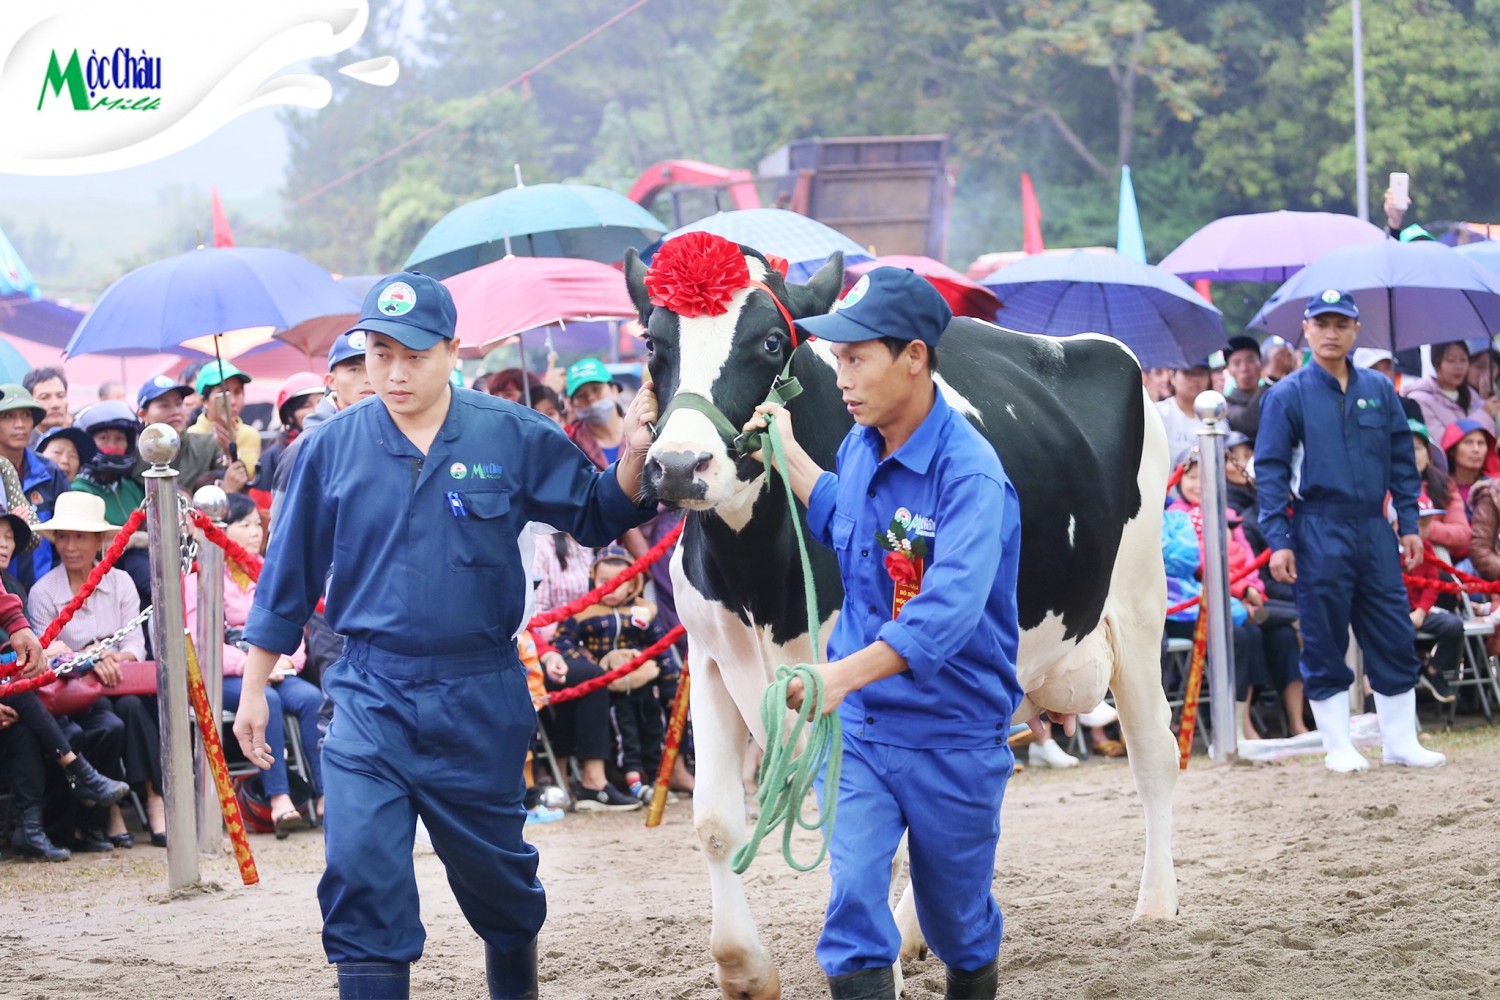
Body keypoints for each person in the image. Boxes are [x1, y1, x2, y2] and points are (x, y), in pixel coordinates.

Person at [232, 271, 660, 999]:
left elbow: (594, 513)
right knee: (361, 873)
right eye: (379, 353)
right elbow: (287, 576)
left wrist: (635, 453)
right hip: (369, 691)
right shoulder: (330, 447)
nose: (395, 373)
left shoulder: (512, 433)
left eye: (416, 355)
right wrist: (251, 689)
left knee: (501, 884)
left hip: (480, 694)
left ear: (453, 350)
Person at [740, 267, 1020, 1000]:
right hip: (865, 731)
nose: (841, 377)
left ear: (916, 357)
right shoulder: (864, 444)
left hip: (953, 735)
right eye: (837, 360)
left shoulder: (972, 477)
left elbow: (946, 616)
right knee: (854, 902)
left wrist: (834, 677)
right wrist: (789, 452)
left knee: (958, 924)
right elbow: (844, 516)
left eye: (856, 357)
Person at [1255, 288, 1445, 773]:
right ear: (1307, 328)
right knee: (1322, 635)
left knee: (1392, 631)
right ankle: (1338, 744)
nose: (1331, 333)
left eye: (1341, 324)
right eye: (1322, 323)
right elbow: (1272, 472)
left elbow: (1404, 462)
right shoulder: (1287, 394)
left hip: (1373, 527)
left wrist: (1408, 523)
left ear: (1357, 329)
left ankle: (1400, 740)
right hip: (1317, 527)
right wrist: (1278, 540)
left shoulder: (1380, 390)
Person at [28, 492, 166, 844]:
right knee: (111, 718)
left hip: (120, 680)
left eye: (80, 537)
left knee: (134, 707)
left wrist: (116, 659)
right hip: (77, 690)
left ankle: (153, 798)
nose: (70, 546)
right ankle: (114, 811)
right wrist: (90, 659)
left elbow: (135, 641)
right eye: (63, 537)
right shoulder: (44, 592)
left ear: (100, 541)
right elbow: (46, 653)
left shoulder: (120, 582)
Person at [185, 493, 323, 837]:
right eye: (243, 525)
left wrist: (287, 664)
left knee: (311, 700)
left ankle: (325, 793)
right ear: (219, 529)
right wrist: (253, 669)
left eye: (256, 524)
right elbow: (201, 643)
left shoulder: (267, 574)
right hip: (224, 674)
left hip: (275, 670)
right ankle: (278, 797)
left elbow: (295, 627)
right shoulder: (197, 577)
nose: (254, 532)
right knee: (269, 702)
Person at [553, 546, 682, 804]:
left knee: (652, 728)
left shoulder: (645, 611)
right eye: (603, 581)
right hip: (611, 687)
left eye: (619, 582)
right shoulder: (583, 611)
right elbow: (562, 642)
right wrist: (589, 662)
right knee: (624, 734)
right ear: (592, 579)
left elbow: (662, 648)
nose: (611, 588)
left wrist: (670, 686)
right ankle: (631, 780)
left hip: (646, 684)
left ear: (633, 582)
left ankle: (655, 779)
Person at [269, 330, 375, 526]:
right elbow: (282, 530)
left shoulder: (393, 435)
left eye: (373, 367)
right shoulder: (307, 447)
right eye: (355, 369)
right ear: (331, 381)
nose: (368, 379)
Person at [0, 385, 72, 591]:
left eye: (26, 415)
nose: (20, 424)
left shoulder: (49, 472)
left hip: (48, 589)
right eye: (8, 416)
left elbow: (68, 531)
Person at [133, 376, 237, 494]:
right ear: (142, 414)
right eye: (164, 405)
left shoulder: (208, 445)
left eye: (179, 403)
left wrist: (230, 457)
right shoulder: (133, 457)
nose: (175, 411)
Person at [1404, 496, 1461, 705]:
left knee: (1454, 626)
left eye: (1429, 523)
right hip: (1396, 613)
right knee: (1394, 632)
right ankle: (1411, 671)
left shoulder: (1426, 548)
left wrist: (1421, 610)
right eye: (1421, 523)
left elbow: (1432, 584)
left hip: (1421, 612)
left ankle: (1433, 670)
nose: (1426, 529)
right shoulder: (1390, 549)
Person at [1404, 341, 1495, 445]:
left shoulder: (1472, 396)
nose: (1458, 367)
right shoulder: (1421, 400)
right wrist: (1484, 414)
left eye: (1463, 360)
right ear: (1437, 364)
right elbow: (1442, 442)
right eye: (1451, 361)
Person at [187, 360, 261, 479]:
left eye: (238, 392)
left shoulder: (250, 435)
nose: (232, 401)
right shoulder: (192, 437)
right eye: (223, 393)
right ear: (204, 401)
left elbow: (249, 479)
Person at [254, 372, 325, 495]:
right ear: (290, 416)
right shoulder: (273, 456)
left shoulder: (342, 442)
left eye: (321, 402)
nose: (316, 410)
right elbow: (264, 504)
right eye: (306, 405)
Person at [1409, 420, 1469, 559]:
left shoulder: (1444, 486)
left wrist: (1423, 528)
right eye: (1403, 448)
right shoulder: (1381, 487)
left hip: (1438, 560)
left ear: (1429, 456)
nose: (1410, 454)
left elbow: (1462, 534)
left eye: (1417, 448)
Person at [1439, 418, 1498, 520]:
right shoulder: (1439, 488)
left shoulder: (1495, 487)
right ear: (1453, 449)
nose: (1476, 449)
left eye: (1481, 443)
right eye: (1468, 442)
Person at [1154, 361, 1212, 465]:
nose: (1195, 379)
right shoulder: (1159, 414)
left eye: (1201, 373)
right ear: (1172, 377)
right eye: (1187, 372)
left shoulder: (1215, 414)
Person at [1223, 335, 1264, 441]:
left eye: (1250, 361)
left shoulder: (1274, 393)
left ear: (1261, 363)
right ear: (1229, 370)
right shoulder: (1226, 403)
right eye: (1237, 363)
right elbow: (1248, 423)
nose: (1244, 368)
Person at [23, 367, 71, 445]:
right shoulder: (19, 447)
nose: (55, 404)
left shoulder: (80, 441)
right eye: (44, 397)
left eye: (61, 396)